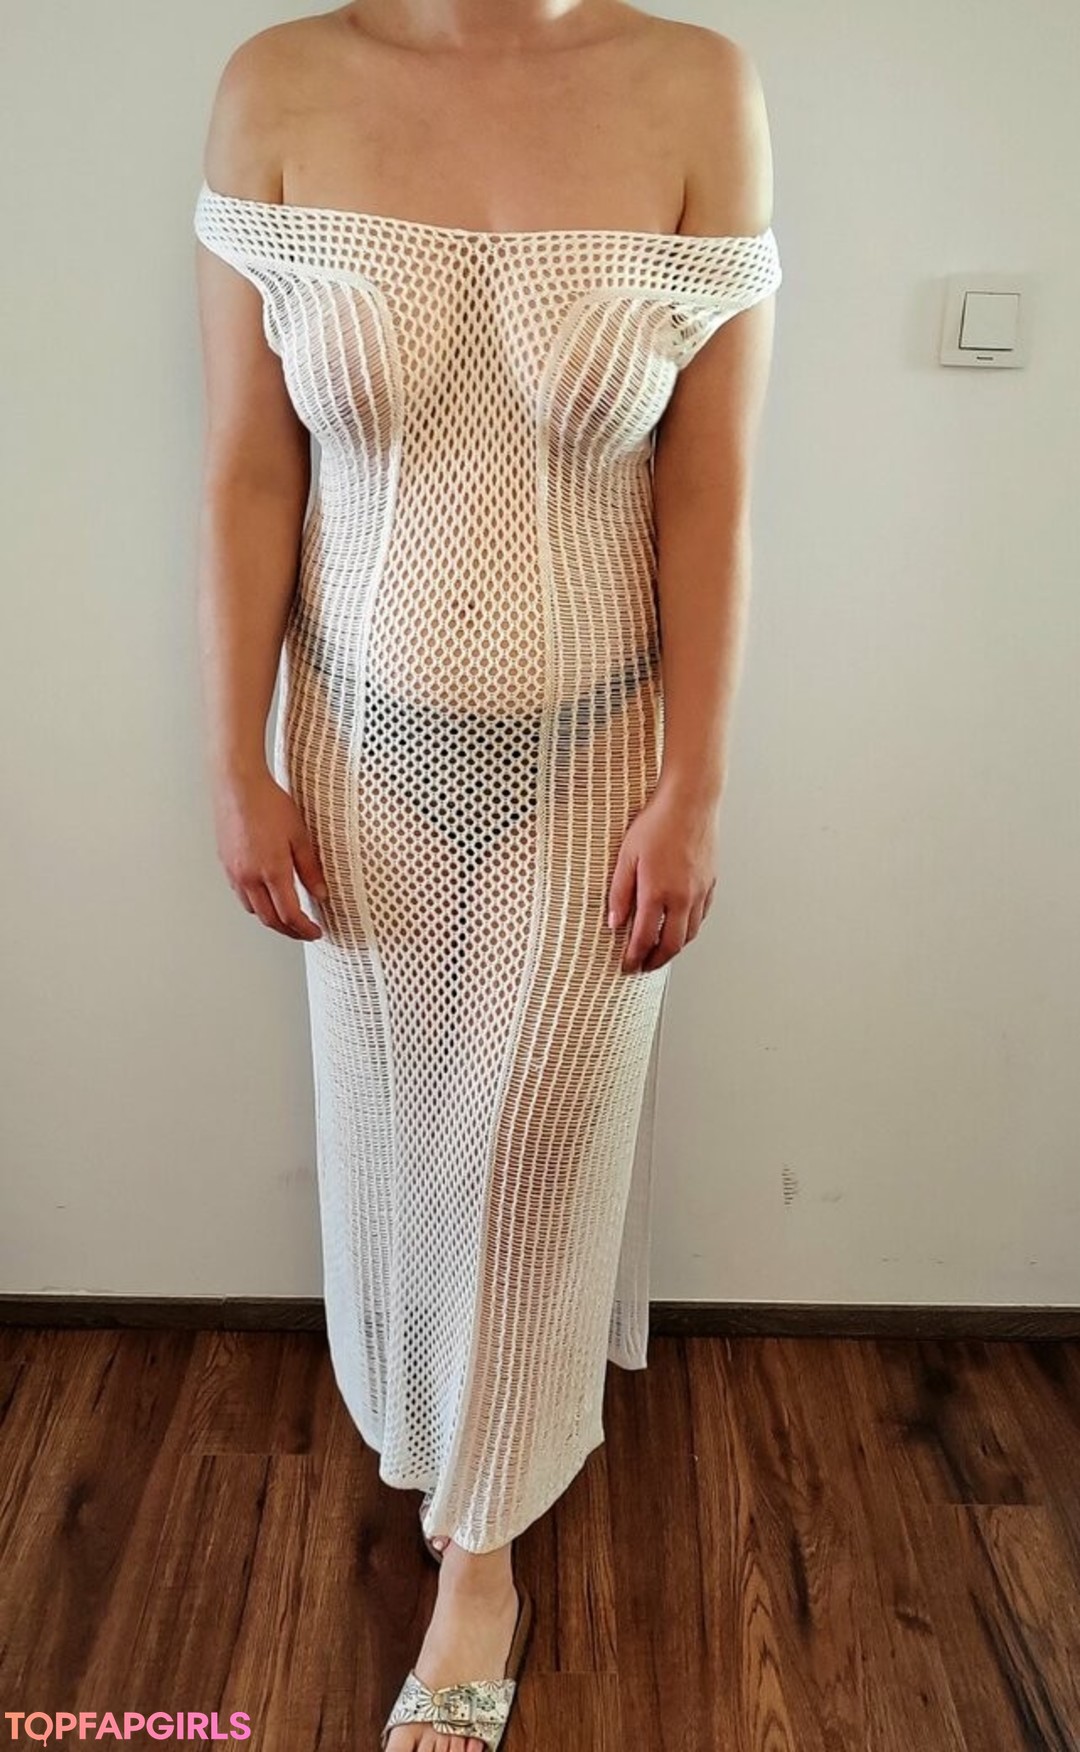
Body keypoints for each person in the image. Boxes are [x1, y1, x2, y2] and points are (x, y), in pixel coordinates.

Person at [193, 2, 781, 1746]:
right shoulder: (278, 85)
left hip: (596, 764)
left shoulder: (698, 89)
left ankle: (479, 1555)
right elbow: (250, 465)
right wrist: (236, 759)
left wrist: (696, 784)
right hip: (359, 754)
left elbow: (709, 483)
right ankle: (439, 1436)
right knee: (402, 1139)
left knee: (537, 1151)